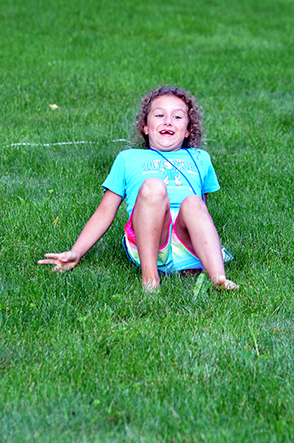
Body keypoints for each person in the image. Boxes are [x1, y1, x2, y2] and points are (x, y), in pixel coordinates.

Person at [38, 86, 239, 292]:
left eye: (177, 117)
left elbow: (202, 211)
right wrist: (76, 252)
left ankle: (218, 278)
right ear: (145, 126)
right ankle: (150, 279)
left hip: (188, 243)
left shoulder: (200, 158)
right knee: (154, 186)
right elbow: (105, 212)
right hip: (148, 241)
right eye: (159, 115)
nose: (168, 121)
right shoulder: (128, 159)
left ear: (188, 130)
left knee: (193, 202)